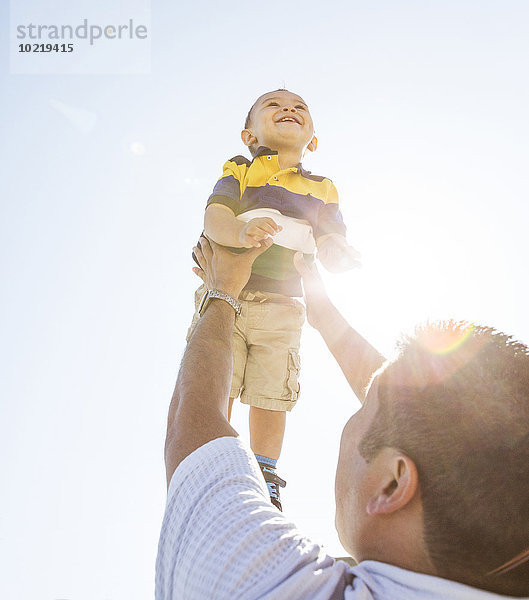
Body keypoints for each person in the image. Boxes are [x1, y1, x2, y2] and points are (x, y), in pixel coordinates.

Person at [156, 235, 529, 599]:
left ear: (392, 485)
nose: (361, 402)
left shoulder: (274, 589)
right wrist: (324, 316)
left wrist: (221, 291)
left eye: (364, 407)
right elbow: (424, 413)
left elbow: (192, 424)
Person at [188, 88, 359, 510]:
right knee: (218, 380)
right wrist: (238, 233)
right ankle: (215, 460)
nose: (289, 109)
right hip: (228, 294)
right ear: (249, 136)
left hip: (282, 306)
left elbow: (330, 233)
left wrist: (336, 251)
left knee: (271, 391)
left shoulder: (322, 188)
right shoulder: (241, 169)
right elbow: (216, 215)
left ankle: (265, 472)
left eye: (300, 107)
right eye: (274, 105)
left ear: (313, 140)